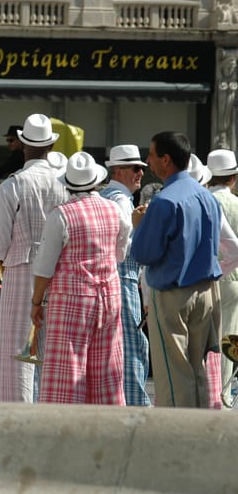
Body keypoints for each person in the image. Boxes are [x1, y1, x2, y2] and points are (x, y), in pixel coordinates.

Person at [131, 132, 222, 408]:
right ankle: (200, 437)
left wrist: (138, 225)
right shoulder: (207, 197)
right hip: (206, 291)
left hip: (173, 292)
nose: (149, 160)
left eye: (152, 155)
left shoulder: (164, 200)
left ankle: (176, 443)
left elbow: (144, 253)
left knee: (174, 375)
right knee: (198, 371)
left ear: (166, 160)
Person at [31, 151, 130, 404]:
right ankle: (107, 427)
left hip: (72, 298)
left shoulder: (61, 214)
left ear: (69, 184)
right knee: (107, 367)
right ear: (96, 181)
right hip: (109, 294)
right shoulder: (114, 209)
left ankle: (67, 431)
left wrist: (36, 302)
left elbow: (45, 266)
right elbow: (120, 252)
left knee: (68, 369)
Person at [0, 113, 69, 402]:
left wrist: (5, 255)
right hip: (58, 268)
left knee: (17, 347)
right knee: (52, 347)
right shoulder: (64, 183)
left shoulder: (13, 185)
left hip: (22, 268)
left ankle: (17, 413)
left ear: (24, 145)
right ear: (50, 147)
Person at [98, 144, 151, 407]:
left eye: (141, 168)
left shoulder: (108, 196)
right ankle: (136, 406)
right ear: (118, 171)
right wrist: (140, 228)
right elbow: (121, 246)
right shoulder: (119, 200)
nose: (140, 173)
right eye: (135, 168)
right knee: (133, 348)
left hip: (113, 279)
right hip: (124, 279)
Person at [205, 149, 238, 404]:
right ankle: (223, 396)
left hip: (207, 278)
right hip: (234, 279)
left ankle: (208, 394)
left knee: (206, 340)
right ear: (233, 177)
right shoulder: (236, 204)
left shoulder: (204, 200)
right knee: (229, 339)